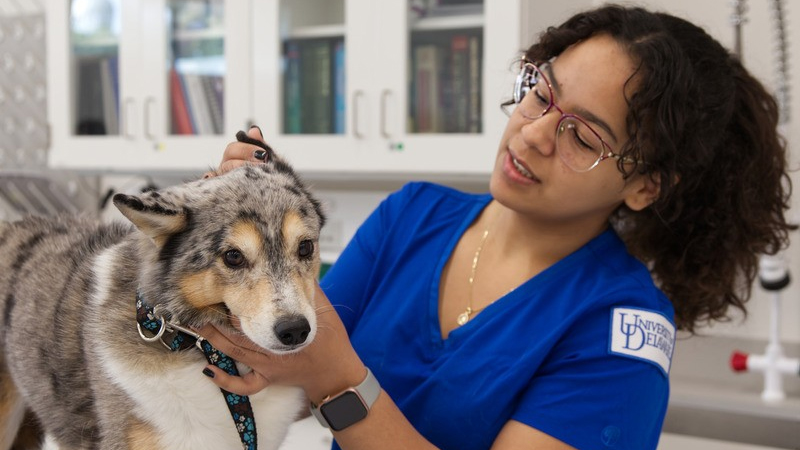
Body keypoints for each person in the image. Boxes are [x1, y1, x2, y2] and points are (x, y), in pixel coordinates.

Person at [198, 5, 795, 450]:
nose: (533, 133)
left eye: (583, 136)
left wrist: (336, 378)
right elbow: (265, 375)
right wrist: (232, 241)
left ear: (644, 186)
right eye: (541, 95)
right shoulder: (411, 216)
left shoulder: (620, 329)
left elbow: (319, 372)